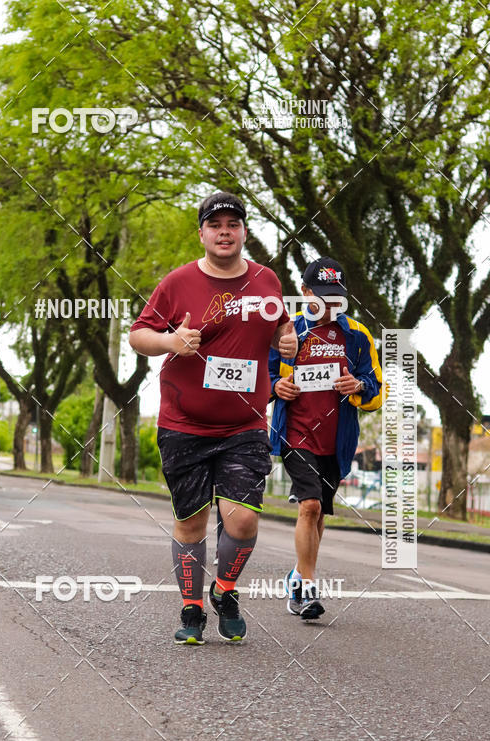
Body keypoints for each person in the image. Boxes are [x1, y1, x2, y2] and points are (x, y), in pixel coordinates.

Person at [129, 191, 297, 645]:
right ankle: (192, 606)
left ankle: (225, 590)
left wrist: (288, 339)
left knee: (242, 521)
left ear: (244, 232)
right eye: (215, 225)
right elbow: (139, 335)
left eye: (233, 224)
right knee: (192, 520)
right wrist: (171, 342)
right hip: (183, 423)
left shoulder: (266, 281)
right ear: (202, 233)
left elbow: (280, 325)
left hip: (244, 426)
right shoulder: (178, 282)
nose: (225, 232)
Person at [269, 257, 383, 620]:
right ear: (305, 293)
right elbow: (262, 378)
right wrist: (277, 387)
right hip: (295, 433)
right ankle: (307, 590)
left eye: (337, 298)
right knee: (310, 506)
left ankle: (297, 575)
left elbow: (377, 390)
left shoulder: (357, 335)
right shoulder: (288, 334)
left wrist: (358, 385)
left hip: (337, 440)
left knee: (320, 514)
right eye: (323, 297)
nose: (330, 305)